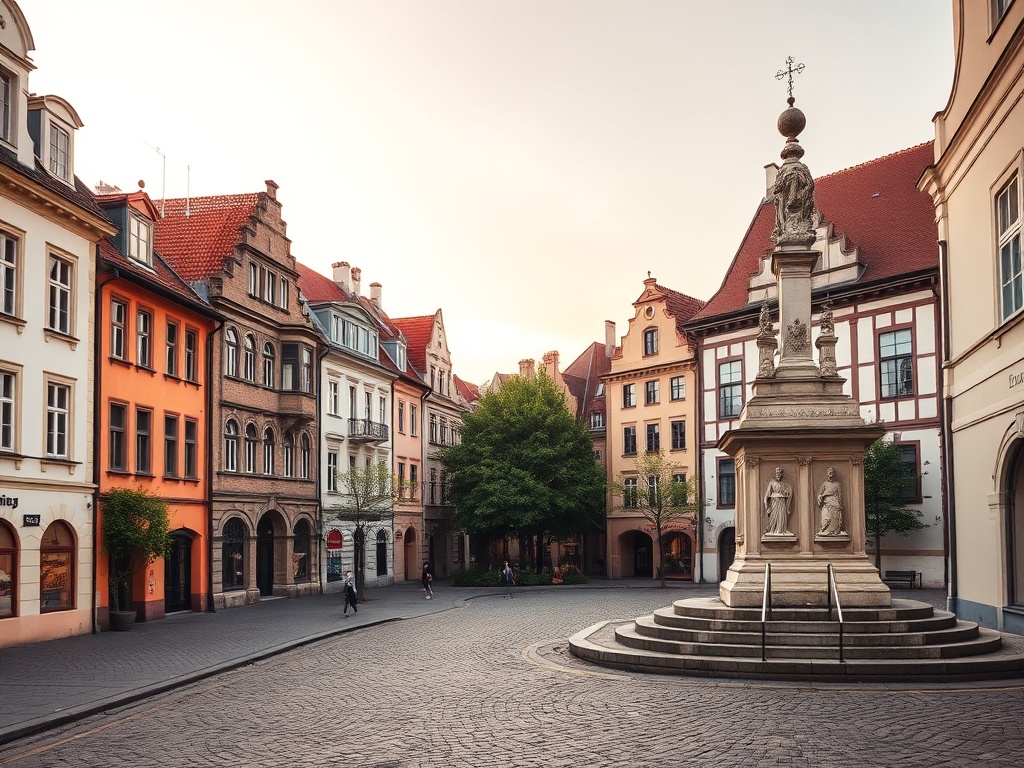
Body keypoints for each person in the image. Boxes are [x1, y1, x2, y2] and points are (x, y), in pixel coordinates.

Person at [763, 466, 794, 536]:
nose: (778, 474)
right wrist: (766, 504)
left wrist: (787, 493)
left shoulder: (784, 484)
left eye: (779, 473)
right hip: (774, 502)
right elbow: (767, 494)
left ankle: (781, 530)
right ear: (775, 474)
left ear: (781, 474)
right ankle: (772, 529)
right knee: (773, 517)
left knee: (781, 516)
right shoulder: (772, 483)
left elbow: (788, 493)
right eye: (777, 473)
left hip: (782, 502)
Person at [817, 466, 845, 536]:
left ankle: (834, 531)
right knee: (826, 518)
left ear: (834, 474)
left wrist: (840, 505)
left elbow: (839, 495)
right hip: (827, 503)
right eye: (829, 473)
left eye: (831, 473)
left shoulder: (838, 485)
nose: (830, 475)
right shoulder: (825, 484)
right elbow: (820, 493)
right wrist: (820, 497)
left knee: (835, 518)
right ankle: (824, 530)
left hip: (835, 504)